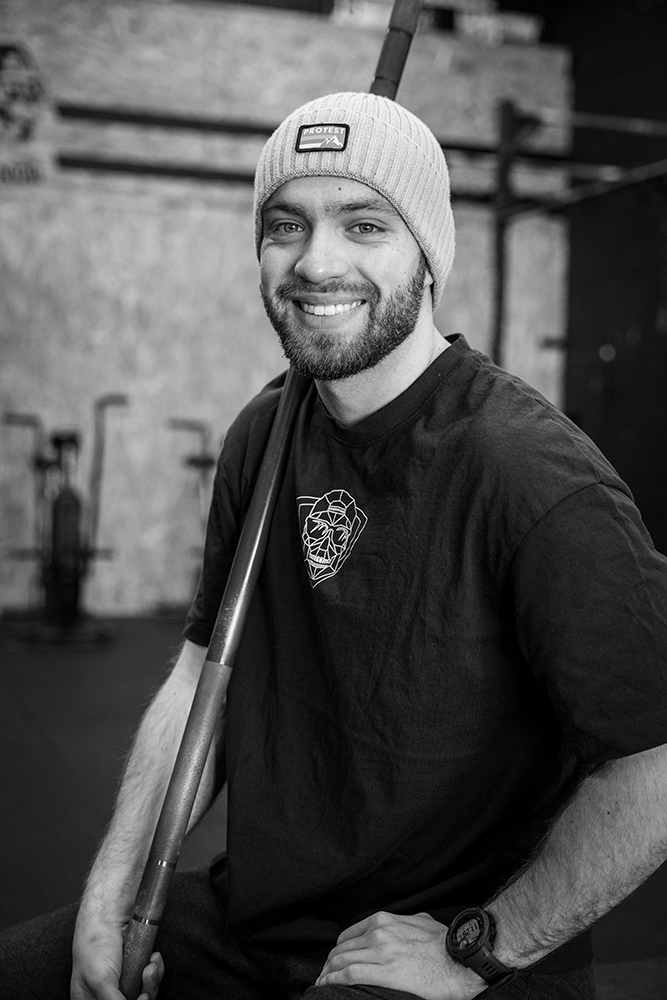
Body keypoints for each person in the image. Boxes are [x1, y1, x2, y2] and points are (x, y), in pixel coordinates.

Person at [2, 91, 667, 1000]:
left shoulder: (529, 473)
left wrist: (480, 949)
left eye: (363, 225)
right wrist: (110, 890)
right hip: (259, 924)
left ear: (427, 254)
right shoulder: (265, 433)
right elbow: (202, 677)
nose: (316, 262)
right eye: (286, 225)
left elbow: (654, 760)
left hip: (444, 950)